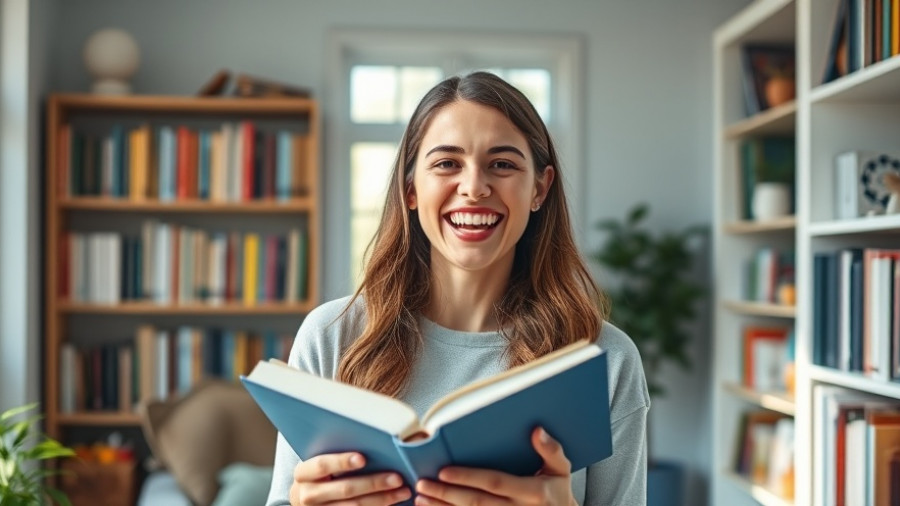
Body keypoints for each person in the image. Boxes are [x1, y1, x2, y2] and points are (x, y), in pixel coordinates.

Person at [266, 71, 649, 506]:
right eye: (447, 163)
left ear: (540, 188)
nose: (474, 188)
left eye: (502, 164)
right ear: (410, 188)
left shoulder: (606, 361)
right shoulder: (332, 337)